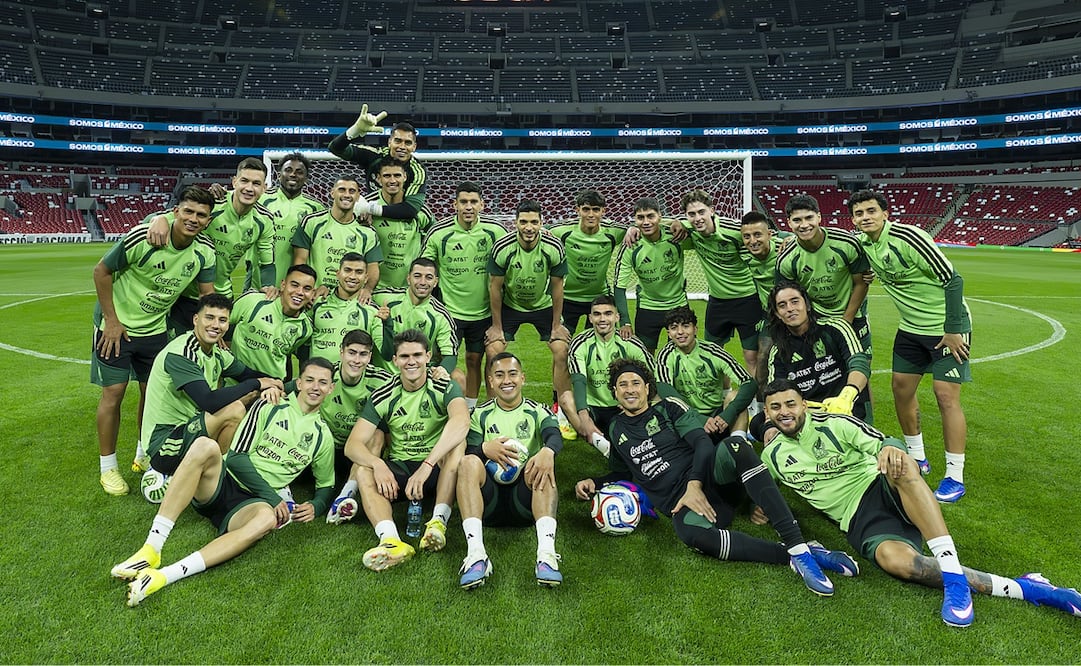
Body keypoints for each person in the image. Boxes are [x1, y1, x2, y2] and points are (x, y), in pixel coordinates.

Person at [758, 379, 1081, 626]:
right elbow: (759, 489)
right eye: (775, 407)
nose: (784, 412)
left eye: (790, 404)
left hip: (881, 486)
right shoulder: (771, 457)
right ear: (767, 413)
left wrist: (891, 447)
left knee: (900, 463)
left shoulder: (834, 424)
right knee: (899, 564)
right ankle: (1031, 589)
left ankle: (954, 580)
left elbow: (888, 441)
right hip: (858, 519)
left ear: (804, 405)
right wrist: (752, 507)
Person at [573, 359, 859, 597]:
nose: (630, 389)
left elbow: (702, 443)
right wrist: (595, 483)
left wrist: (694, 484)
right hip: (681, 502)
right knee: (692, 536)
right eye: (622, 385)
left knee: (736, 446)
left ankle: (796, 542)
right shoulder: (615, 429)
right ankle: (797, 555)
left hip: (711, 480)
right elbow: (623, 472)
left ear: (647, 388)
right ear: (614, 392)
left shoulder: (669, 408)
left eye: (635, 383)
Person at [111, 357, 337, 607]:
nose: (316, 387)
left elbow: (326, 483)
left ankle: (163, 576)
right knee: (204, 445)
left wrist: (317, 504)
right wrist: (275, 498)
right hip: (222, 482)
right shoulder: (269, 406)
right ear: (299, 382)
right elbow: (238, 459)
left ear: (331, 388)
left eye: (323, 382)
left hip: (251, 505)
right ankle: (151, 548)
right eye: (310, 380)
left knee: (267, 519)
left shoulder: (322, 436)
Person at [848, 189, 972, 502]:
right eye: (859, 213)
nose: (866, 217)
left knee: (945, 397)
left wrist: (954, 329)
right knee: (900, 388)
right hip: (911, 331)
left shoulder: (909, 237)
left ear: (885, 213)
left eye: (871, 211)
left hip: (947, 330)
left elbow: (953, 280)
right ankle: (917, 457)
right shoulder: (864, 244)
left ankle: (954, 476)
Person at [92, 186, 217, 495]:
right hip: (117, 328)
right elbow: (101, 271)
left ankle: (144, 454)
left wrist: (214, 329)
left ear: (208, 219)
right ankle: (108, 469)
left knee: (152, 396)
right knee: (114, 393)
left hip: (155, 330)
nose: (193, 219)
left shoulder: (205, 252)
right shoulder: (145, 236)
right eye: (188, 211)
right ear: (175, 212)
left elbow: (207, 296)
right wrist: (111, 320)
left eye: (201, 215)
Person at [344, 329, 470, 571]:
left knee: (458, 445)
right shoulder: (384, 394)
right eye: (404, 357)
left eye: (417, 355)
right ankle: (391, 541)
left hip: (438, 470)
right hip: (400, 469)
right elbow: (353, 445)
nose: (411, 361)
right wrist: (378, 463)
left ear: (428, 356)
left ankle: (437, 523)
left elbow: (461, 421)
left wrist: (427, 464)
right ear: (395, 360)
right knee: (362, 468)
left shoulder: (444, 385)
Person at [140, 294, 284, 479]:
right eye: (210, 318)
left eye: (222, 320)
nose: (216, 325)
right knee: (235, 410)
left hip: (192, 432)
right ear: (196, 319)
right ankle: (218, 477)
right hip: (165, 443)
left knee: (246, 406)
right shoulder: (182, 354)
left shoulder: (217, 353)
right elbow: (208, 401)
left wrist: (276, 383)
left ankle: (207, 472)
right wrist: (256, 384)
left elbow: (247, 373)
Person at [456, 352, 564, 589]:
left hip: (526, 501)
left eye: (513, 374)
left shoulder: (539, 411)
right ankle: (476, 555)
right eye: (499, 375)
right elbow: (469, 449)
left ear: (523, 378)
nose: (507, 380)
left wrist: (548, 452)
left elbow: (554, 436)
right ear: (491, 382)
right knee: (467, 463)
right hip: (488, 504)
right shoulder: (481, 414)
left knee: (544, 463)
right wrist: (484, 449)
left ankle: (546, 556)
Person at [147, 158, 276, 333]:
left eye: (256, 183)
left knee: (222, 351)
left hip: (222, 293)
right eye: (244, 181)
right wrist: (158, 218)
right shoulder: (214, 205)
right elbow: (179, 215)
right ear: (234, 182)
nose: (249, 188)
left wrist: (268, 285)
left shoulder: (264, 220)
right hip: (186, 292)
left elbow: (267, 262)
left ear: (264, 188)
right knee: (181, 348)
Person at [486, 199, 573, 429]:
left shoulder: (553, 247)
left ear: (542, 223)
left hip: (542, 305)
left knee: (561, 349)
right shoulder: (503, 247)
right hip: (511, 306)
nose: (528, 227)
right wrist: (496, 326)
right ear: (515, 223)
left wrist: (556, 325)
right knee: (493, 348)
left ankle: (562, 412)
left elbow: (557, 287)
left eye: (534, 222)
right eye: (523, 221)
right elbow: (494, 287)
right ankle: (492, 410)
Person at [421, 181, 507, 407]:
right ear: (455, 205)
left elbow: (514, 250)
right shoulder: (440, 234)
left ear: (482, 205)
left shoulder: (495, 231)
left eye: (473, 202)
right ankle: (435, 407)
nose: (468, 207)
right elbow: (424, 267)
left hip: (483, 312)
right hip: (450, 312)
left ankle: (479, 408)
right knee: (440, 362)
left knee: (474, 359)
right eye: (463, 202)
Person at [676, 189, 763, 373]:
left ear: (712, 210)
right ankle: (723, 396)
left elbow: (764, 235)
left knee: (752, 356)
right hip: (717, 301)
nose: (697, 218)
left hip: (747, 299)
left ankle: (757, 401)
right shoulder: (690, 232)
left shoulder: (733, 231)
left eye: (701, 212)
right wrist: (634, 228)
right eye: (691, 214)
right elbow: (657, 225)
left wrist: (787, 239)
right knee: (712, 354)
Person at [760, 281, 871, 423]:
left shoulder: (835, 328)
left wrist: (847, 396)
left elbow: (859, 363)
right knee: (761, 424)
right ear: (777, 314)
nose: (790, 308)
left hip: (849, 412)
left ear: (807, 305)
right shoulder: (778, 352)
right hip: (808, 419)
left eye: (795, 302)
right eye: (782, 305)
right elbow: (775, 394)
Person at [317, 329, 394, 525]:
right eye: (352, 352)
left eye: (363, 354)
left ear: (370, 357)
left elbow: (412, 382)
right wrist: (274, 387)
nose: (356, 360)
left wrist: (435, 373)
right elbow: (296, 387)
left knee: (377, 434)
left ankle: (344, 497)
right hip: (325, 449)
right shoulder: (325, 375)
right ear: (341, 351)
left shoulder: (381, 380)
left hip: (359, 452)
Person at [776, 194, 871, 348]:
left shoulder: (846, 243)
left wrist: (846, 321)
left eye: (809, 218)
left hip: (853, 315)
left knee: (861, 365)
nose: (804, 225)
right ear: (789, 223)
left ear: (819, 217)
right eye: (797, 220)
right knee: (827, 370)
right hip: (816, 319)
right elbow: (789, 297)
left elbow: (861, 283)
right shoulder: (786, 259)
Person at [567, 296, 654, 451]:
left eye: (608, 314)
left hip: (621, 406)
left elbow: (651, 377)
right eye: (597, 314)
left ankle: (606, 443)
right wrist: (584, 418)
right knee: (566, 399)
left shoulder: (630, 342)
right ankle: (589, 431)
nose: (602, 319)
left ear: (616, 317)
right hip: (591, 407)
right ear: (590, 318)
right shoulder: (580, 343)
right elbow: (578, 381)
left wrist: (638, 405)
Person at [656, 305, 755, 440]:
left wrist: (728, 414)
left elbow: (749, 383)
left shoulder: (713, 351)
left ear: (695, 329)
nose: (680, 332)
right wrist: (698, 418)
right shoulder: (666, 355)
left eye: (685, 326)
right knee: (657, 402)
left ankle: (738, 444)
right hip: (686, 416)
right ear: (668, 333)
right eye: (674, 328)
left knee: (735, 397)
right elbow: (664, 389)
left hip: (718, 418)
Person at [547, 189, 628, 334]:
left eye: (596, 210)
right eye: (586, 209)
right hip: (568, 297)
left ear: (603, 211)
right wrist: (542, 230)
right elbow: (537, 229)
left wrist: (633, 228)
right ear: (577, 210)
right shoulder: (563, 231)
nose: (591, 215)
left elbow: (640, 228)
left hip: (599, 297)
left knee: (601, 343)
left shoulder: (613, 232)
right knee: (561, 343)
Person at [613, 197, 687, 353]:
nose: (646, 222)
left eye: (650, 216)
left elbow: (699, 227)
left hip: (678, 305)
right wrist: (625, 321)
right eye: (640, 218)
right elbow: (619, 287)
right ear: (635, 219)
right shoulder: (630, 245)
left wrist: (678, 221)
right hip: (648, 307)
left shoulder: (676, 236)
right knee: (645, 356)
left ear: (660, 216)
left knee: (679, 355)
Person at [327, 105, 427, 219]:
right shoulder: (375, 155)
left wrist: (369, 208)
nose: (402, 147)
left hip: (401, 219)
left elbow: (411, 209)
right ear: (389, 142)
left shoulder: (418, 171)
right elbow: (335, 148)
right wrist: (355, 130)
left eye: (408, 143)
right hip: (371, 218)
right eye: (398, 141)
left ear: (414, 147)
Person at [291, 176, 382, 301]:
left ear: (357, 196)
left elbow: (373, 268)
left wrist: (367, 289)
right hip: (315, 296)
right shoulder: (312, 222)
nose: (347, 194)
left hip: (349, 301)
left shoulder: (368, 232)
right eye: (342, 190)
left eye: (351, 191)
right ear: (332, 193)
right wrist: (306, 290)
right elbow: (300, 261)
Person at [372, 257, 460, 384]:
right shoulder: (384, 298)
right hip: (382, 377)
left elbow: (450, 354)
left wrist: (442, 369)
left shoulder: (441, 315)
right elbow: (359, 296)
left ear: (435, 282)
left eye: (429, 278)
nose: (423, 282)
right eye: (417, 276)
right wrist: (366, 290)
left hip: (418, 379)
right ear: (408, 279)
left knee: (459, 377)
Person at [356, 159, 435, 290]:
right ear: (378, 179)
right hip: (374, 288)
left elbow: (435, 237)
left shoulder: (419, 210)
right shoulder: (367, 206)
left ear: (405, 177)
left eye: (397, 175)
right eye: (387, 176)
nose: (392, 180)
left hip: (409, 289)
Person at [228, 264, 317, 379]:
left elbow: (284, 355)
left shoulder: (305, 328)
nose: (300, 292)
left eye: (307, 289)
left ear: (312, 294)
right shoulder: (254, 301)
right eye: (294, 285)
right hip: (236, 384)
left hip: (271, 391)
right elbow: (220, 319)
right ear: (283, 285)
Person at [252, 151, 326, 289]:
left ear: (306, 178)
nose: (293, 174)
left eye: (299, 172)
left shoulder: (316, 208)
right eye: (288, 170)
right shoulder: (261, 200)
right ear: (279, 174)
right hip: (260, 277)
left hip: (298, 280)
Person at [305, 253, 384, 366]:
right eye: (347, 270)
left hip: (352, 379)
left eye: (359, 272)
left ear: (366, 278)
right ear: (338, 274)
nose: (352, 276)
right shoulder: (317, 301)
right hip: (319, 378)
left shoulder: (372, 310)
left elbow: (385, 351)